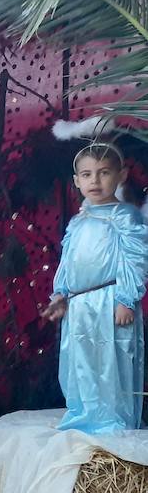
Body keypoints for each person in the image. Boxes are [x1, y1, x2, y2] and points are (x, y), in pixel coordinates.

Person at [39, 143, 148, 434]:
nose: (95, 181)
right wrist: (60, 295)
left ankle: (112, 421)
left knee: (111, 361)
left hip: (111, 301)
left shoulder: (125, 216)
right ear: (77, 181)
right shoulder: (78, 221)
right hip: (80, 306)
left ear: (121, 175)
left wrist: (127, 298)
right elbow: (68, 261)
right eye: (86, 175)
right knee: (81, 362)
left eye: (104, 173)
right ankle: (84, 414)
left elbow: (135, 258)